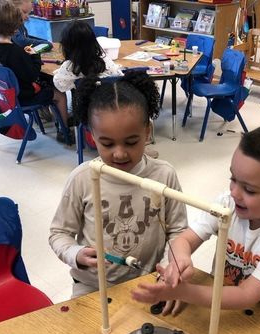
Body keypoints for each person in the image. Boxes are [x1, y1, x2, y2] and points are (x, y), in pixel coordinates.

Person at [132, 122, 260, 315]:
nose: (234, 193)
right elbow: (183, 239)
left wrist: (184, 292)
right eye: (233, 179)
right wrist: (179, 261)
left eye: (249, 190)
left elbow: (245, 295)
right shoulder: (228, 203)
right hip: (222, 297)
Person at [49, 73, 188, 299]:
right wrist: (75, 254)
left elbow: (178, 230)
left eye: (131, 142)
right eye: (107, 143)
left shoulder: (164, 175)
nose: (120, 153)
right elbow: (59, 233)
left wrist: (169, 267)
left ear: (147, 132)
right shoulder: (83, 178)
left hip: (150, 281)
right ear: (92, 135)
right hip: (92, 286)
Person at [0, 0, 72, 145]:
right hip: (24, 96)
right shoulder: (15, 52)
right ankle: (64, 131)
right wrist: (35, 55)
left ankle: (52, 118)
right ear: (15, 28)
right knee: (60, 94)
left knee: (48, 84)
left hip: (8, 97)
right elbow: (32, 75)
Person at [51, 21, 123, 99]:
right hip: (106, 104)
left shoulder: (69, 67)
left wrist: (60, 71)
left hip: (83, 106)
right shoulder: (104, 60)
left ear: (67, 46)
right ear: (94, 42)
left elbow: (60, 85)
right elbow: (118, 75)